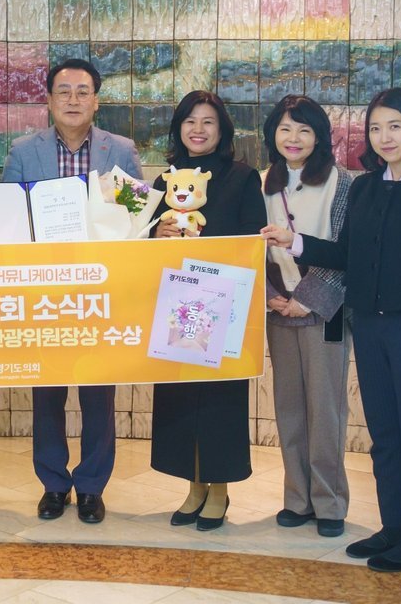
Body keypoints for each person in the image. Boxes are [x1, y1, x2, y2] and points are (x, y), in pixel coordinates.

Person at [262, 87, 401, 573]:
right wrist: (296, 242)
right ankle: (393, 527)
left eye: (395, 126)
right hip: (370, 328)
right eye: (376, 128)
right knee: (385, 436)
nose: (384, 137)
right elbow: (347, 255)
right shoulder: (367, 187)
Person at [2, 58, 142, 524]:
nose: (73, 100)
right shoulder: (24, 151)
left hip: (100, 289)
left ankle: (92, 486)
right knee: (47, 391)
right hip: (44, 289)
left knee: (98, 392)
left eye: (83, 91)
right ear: (49, 99)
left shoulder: (120, 150)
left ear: (96, 100)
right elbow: (8, 218)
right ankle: (54, 484)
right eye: (63, 91)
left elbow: (137, 218)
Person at [149, 90, 266, 531]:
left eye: (208, 122)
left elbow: (252, 240)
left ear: (222, 130)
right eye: (190, 121)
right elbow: (141, 241)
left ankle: (219, 489)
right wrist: (155, 236)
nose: (198, 130)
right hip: (176, 306)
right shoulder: (164, 181)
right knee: (180, 399)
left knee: (220, 401)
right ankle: (193, 486)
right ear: (178, 127)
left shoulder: (242, 177)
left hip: (224, 305)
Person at [260, 95, 351, 539]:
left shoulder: (341, 181)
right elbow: (250, 247)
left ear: (319, 137)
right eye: (284, 129)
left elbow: (347, 248)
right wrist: (272, 296)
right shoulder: (263, 181)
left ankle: (329, 502)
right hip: (278, 310)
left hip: (324, 311)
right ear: (272, 134)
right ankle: (297, 498)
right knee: (289, 408)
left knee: (325, 410)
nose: (293, 138)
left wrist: (310, 298)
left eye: (304, 130)